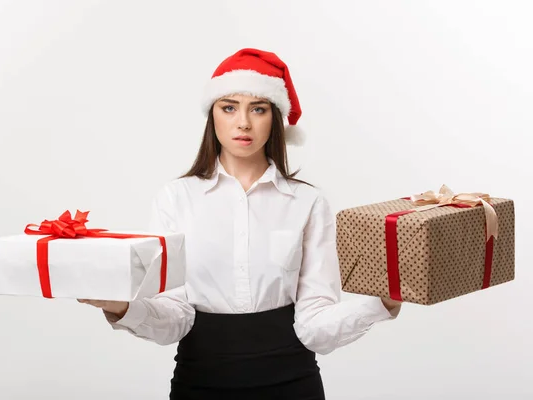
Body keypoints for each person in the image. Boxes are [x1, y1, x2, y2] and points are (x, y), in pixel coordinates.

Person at [78, 48, 402, 399]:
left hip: (292, 383)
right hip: (200, 382)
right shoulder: (176, 199)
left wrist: (381, 304)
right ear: (212, 115)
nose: (243, 122)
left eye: (258, 109)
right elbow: (173, 319)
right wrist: (120, 307)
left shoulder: (308, 203)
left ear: (274, 118)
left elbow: (315, 328)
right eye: (229, 107)